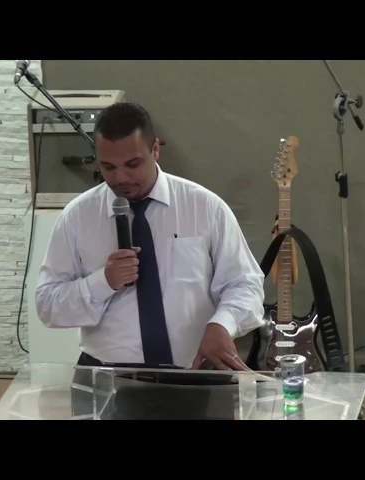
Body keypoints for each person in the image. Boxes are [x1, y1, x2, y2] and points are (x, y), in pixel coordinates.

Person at [35, 102, 265, 372]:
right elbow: (47, 304)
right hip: (106, 375)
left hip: (195, 373)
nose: (121, 177)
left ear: (155, 149)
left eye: (132, 164)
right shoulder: (77, 217)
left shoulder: (204, 207)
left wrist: (223, 324)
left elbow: (245, 284)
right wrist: (103, 282)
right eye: (108, 167)